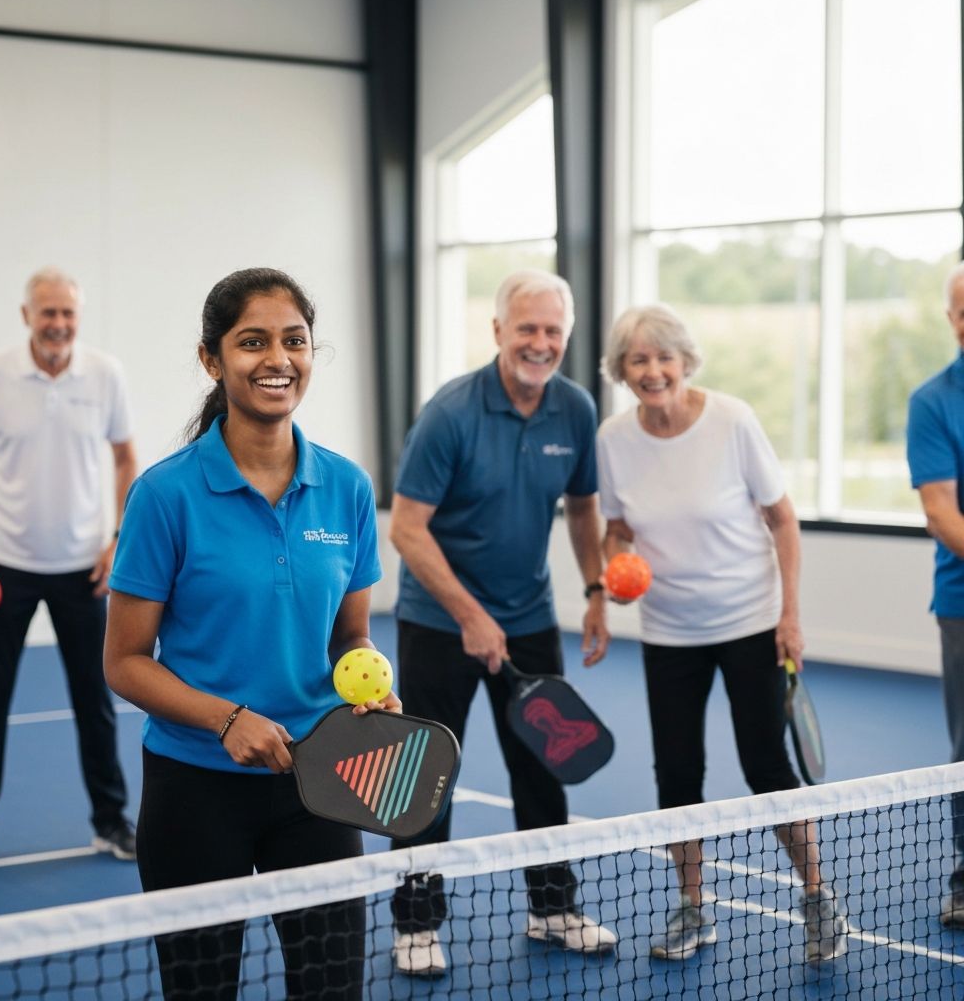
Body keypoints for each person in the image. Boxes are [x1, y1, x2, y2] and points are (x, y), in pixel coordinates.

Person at [104, 267, 396, 1001]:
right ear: (212, 359)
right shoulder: (165, 496)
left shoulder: (348, 488)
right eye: (252, 342)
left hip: (320, 784)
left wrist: (370, 677)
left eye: (294, 341)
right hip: (195, 790)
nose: (278, 359)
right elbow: (126, 662)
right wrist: (225, 719)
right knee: (201, 991)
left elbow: (351, 635)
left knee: (332, 990)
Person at [595, 303, 848, 964]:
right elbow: (617, 526)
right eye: (637, 361)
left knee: (767, 767)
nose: (652, 371)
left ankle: (818, 896)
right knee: (676, 774)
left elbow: (783, 519)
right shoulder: (614, 439)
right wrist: (615, 559)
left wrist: (790, 615)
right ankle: (692, 908)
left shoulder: (732, 420)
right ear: (621, 372)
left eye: (663, 357)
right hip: (669, 630)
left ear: (685, 361)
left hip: (748, 621)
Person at [387, 269, 617, 977]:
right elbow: (406, 528)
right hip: (437, 622)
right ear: (497, 332)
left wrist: (596, 587)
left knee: (544, 770)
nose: (540, 344)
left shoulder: (575, 410)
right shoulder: (450, 413)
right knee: (424, 775)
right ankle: (416, 924)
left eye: (553, 331)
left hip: (529, 616)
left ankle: (552, 908)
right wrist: (469, 615)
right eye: (527, 329)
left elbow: (581, 508)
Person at [0, 267, 137, 872]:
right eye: (47, 312)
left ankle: (110, 822)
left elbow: (127, 458)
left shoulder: (105, 375)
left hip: (84, 567)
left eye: (68, 314)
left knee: (95, 700)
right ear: (26, 315)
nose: (58, 324)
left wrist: (116, 539)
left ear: (79, 318)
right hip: (5, 566)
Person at [906, 259, 964, 928]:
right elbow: (942, 513)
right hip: (962, 604)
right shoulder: (933, 401)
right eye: (963, 309)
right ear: (951, 320)